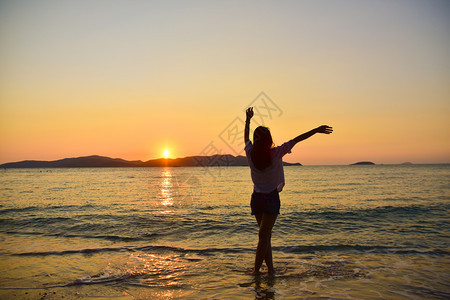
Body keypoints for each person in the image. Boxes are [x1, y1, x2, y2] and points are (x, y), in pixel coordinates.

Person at [244, 107, 333, 276]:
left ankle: (263, 271)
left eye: (257, 137)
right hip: (263, 199)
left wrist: (247, 120)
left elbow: (296, 139)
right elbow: (296, 139)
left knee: (264, 236)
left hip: (263, 198)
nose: (254, 140)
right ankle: (264, 271)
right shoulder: (263, 153)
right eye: (257, 136)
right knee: (265, 237)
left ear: (261, 141)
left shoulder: (263, 153)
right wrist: (247, 120)